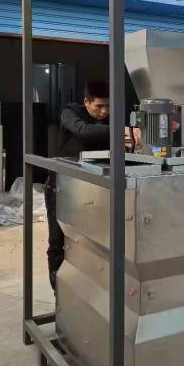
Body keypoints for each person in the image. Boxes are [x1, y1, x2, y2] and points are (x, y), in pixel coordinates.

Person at [44, 79, 140, 290]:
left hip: (91, 186)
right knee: (58, 239)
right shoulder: (70, 113)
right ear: (86, 102)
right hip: (61, 184)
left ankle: (88, 290)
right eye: (99, 106)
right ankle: (59, 292)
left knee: (92, 239)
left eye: (108, 106)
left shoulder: (109, 120)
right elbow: (83, 130)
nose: (104, 111)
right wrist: (121, 129)